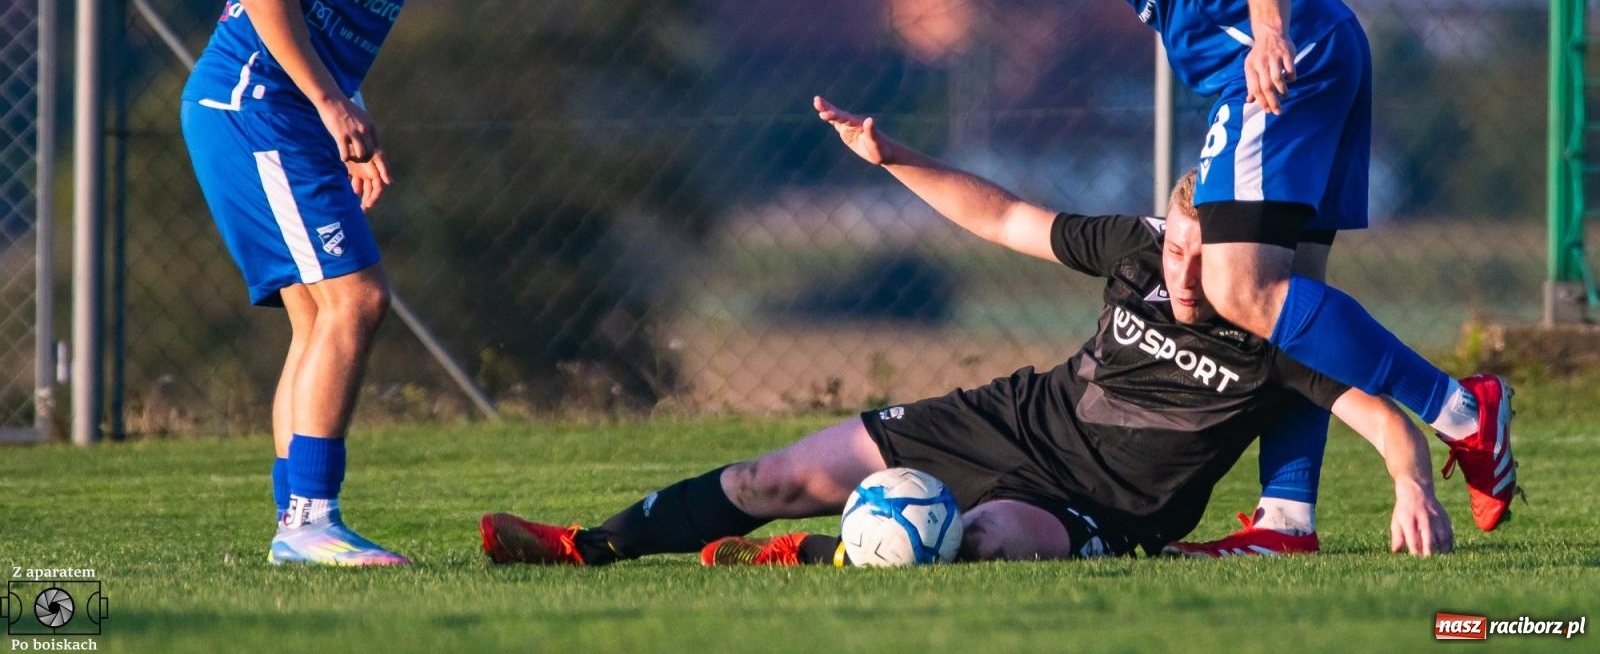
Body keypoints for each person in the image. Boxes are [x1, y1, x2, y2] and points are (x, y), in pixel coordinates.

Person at [909, 0, 1518, 536]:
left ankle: (1464, 411)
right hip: (1313, 44)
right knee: (1291, 286)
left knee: (1237, 289)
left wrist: (1267, 32)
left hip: (1274, 59)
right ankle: (1288, 516)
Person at [476, 101, 1465, 568]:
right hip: (999, 421)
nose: (1190, 273)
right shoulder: (1132, 246)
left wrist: (1411, 483)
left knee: (983, 540)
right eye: (1180, 250)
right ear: (1165, 232)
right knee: (767, 477)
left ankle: (823, 556)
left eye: (1209, 257)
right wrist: (893, 155)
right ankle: (590, 544)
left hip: (1105, 507)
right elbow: (1000, 215)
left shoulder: (1274, 317)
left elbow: (1378, 415)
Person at [180, 0, 511, 567]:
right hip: (257, 107)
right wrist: (331, 107)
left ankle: (298, 524)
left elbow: (325, 12)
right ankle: (310, 522)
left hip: (270, 110)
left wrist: (350, 116)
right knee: (358, 301)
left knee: (318, 317)